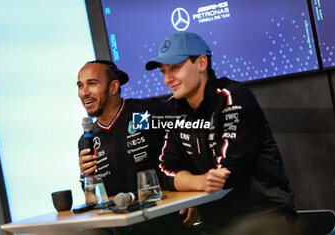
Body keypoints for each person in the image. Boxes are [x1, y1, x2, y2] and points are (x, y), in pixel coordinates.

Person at [145, 31, 296, 231]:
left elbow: (225, 174)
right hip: (213, 218)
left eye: (175, 68)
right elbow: (165, 171)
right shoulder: (172, 109)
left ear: (201, 63)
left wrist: (188, 181)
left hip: (264, 214)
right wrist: (198, 182)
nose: (167, 79)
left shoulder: (235, 98)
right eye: (163, 71)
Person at [77, 60, 199, 233]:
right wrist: (87, 176)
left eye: (92, 84)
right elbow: (94, 197)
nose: (84, 92)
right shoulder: (87, 139)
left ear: (113, 87)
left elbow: (190, 145)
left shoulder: (141, 116)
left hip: (163, 221)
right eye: (80, 86)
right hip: (120, 227)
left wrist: (192, 195)